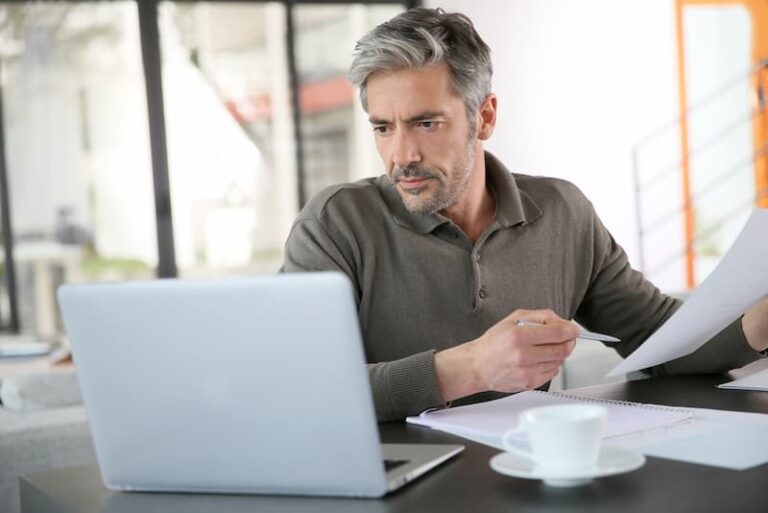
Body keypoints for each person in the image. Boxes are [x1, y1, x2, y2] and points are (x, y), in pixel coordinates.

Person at [280, 7, 768, 422]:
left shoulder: (562, 212)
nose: (400, 154)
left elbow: (661, 341)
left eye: (425, 123)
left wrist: (761, 322)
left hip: (529, 475)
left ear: (485, 117)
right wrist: (469, 367)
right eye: (383, 128)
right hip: (392, 483)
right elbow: (297, 388)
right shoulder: (333, 224)